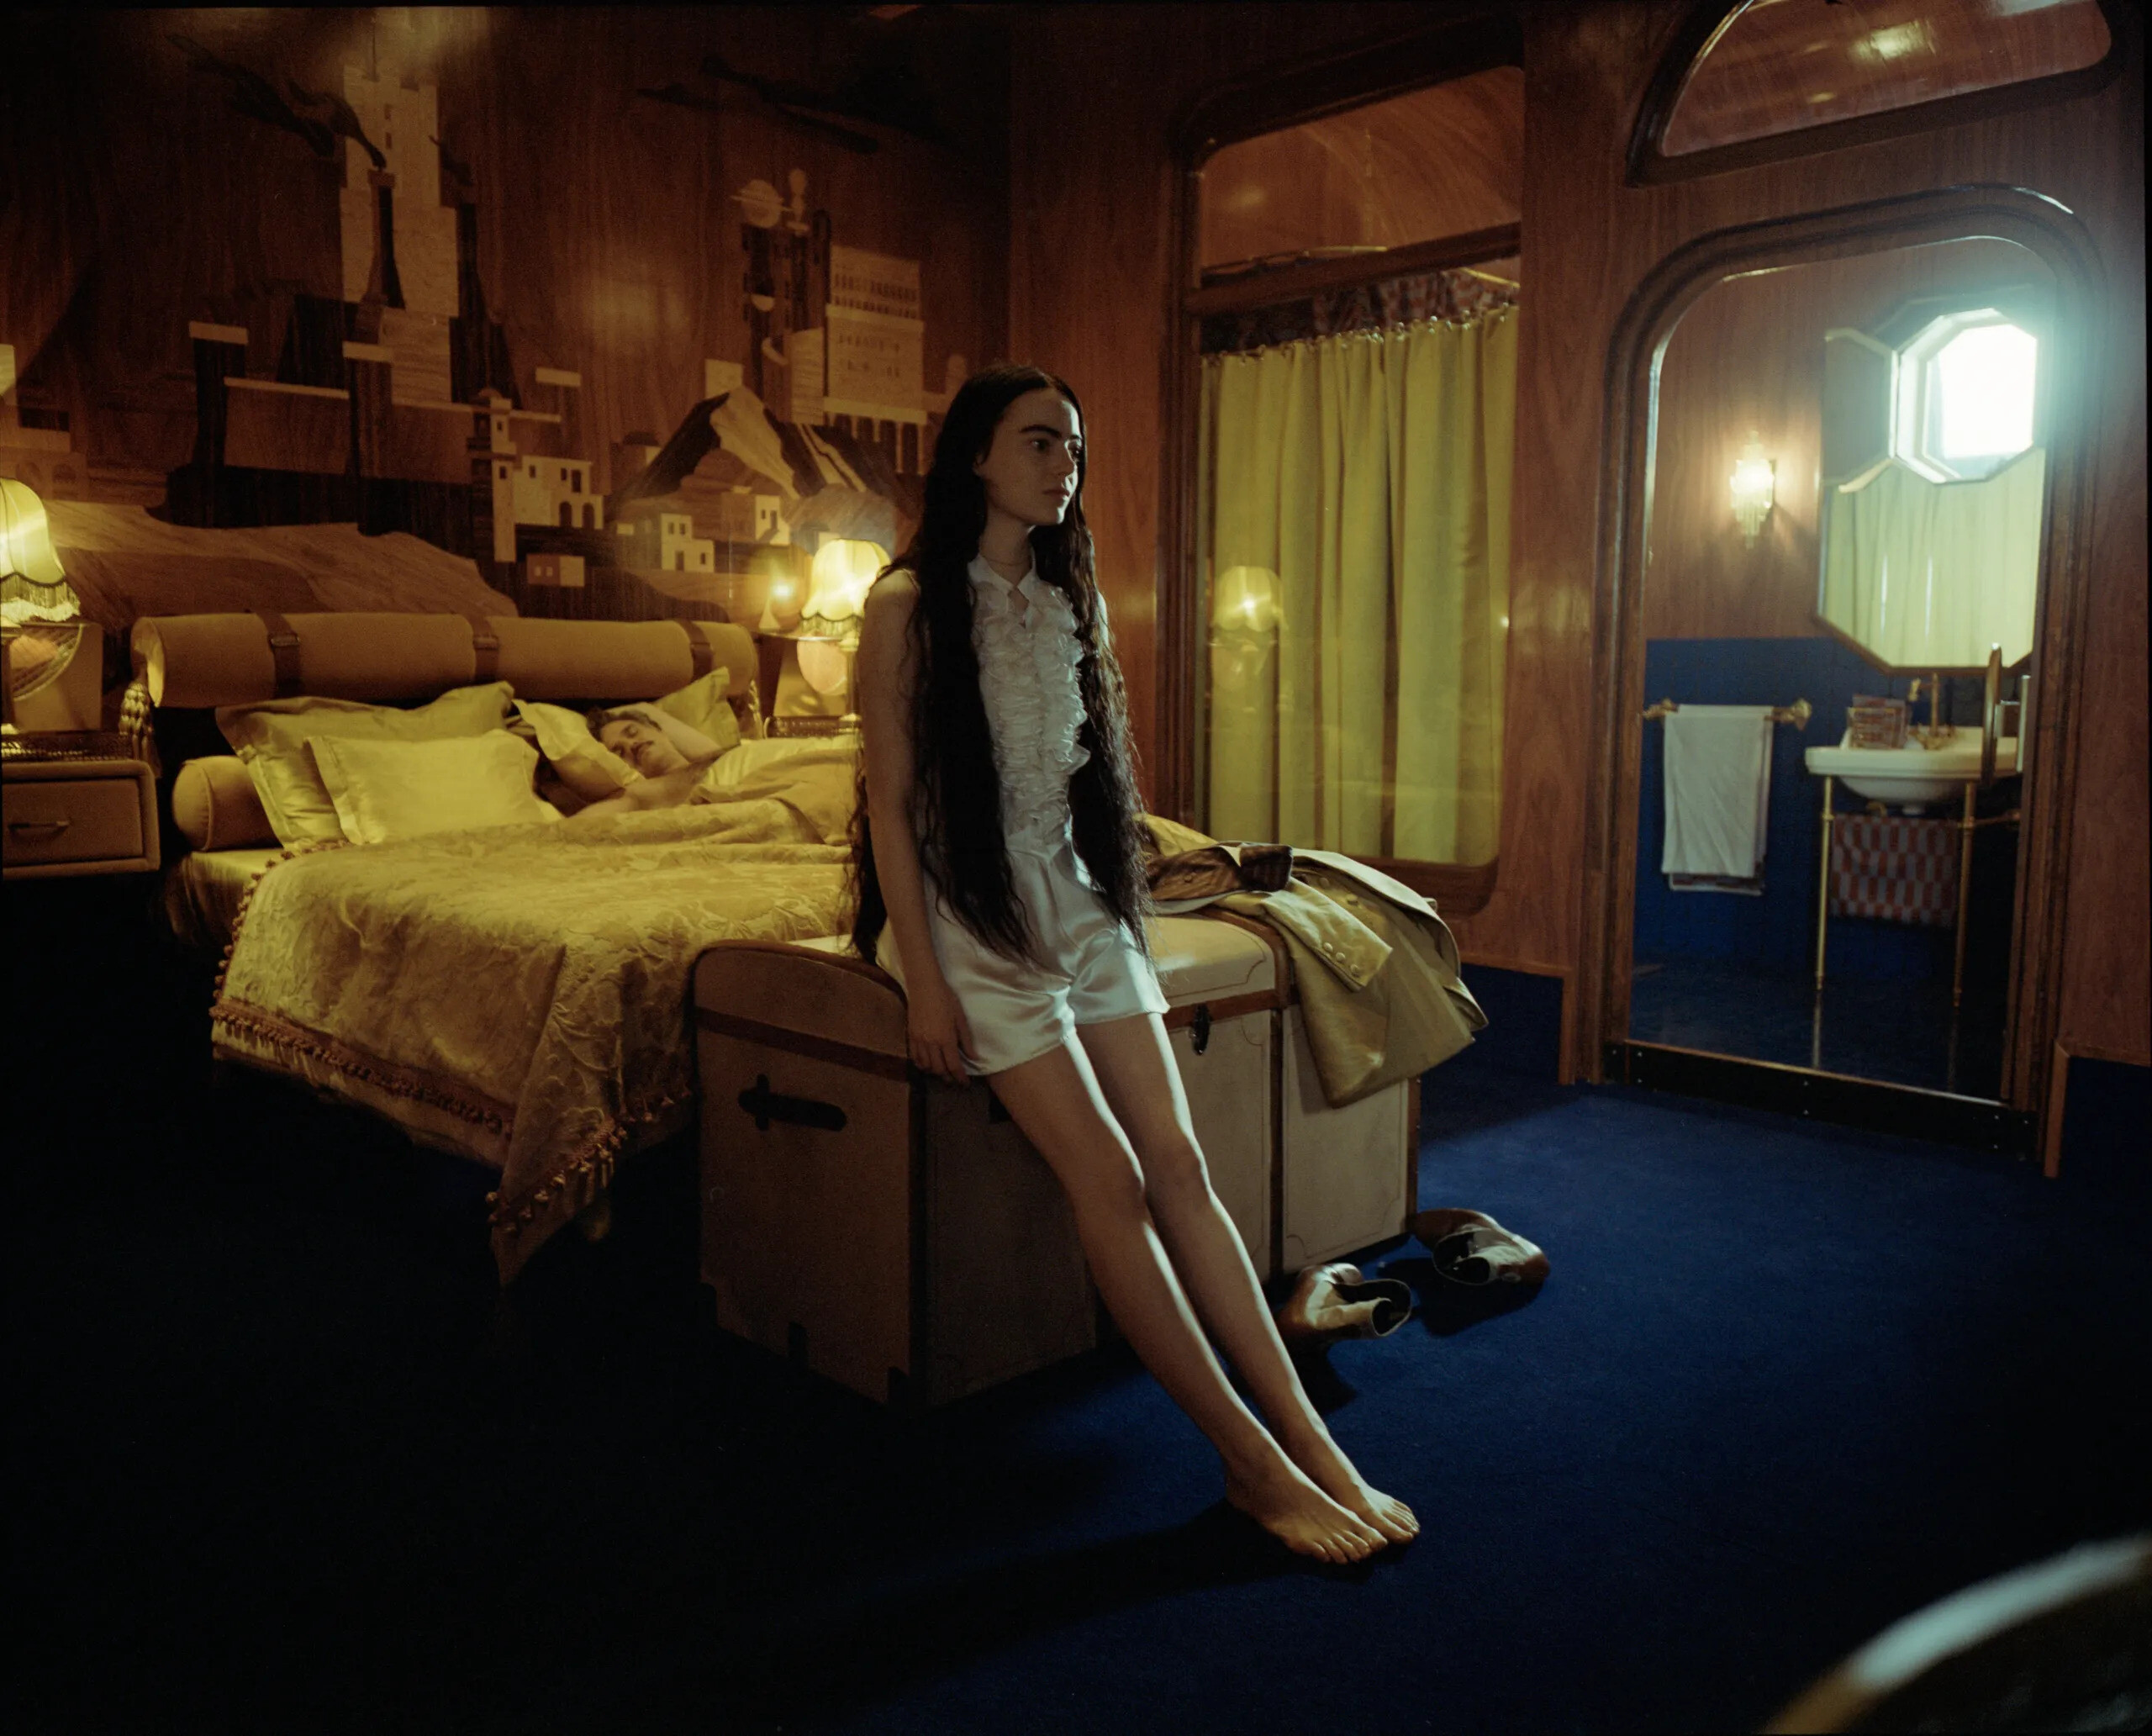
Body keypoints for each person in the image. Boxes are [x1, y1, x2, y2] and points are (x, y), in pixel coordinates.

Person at [848, 363, 1417, 1564]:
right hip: (968, 914)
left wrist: (1131, 891)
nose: (1065, 465)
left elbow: (1083, 787)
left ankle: (1314, 1443)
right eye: (1038, 441)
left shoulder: (1070, 594)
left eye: (1073, 445)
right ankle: (1251, 1467)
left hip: (1075, 896)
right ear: (975, 457)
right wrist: (928, 984)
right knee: (1109, 1180)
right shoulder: (905, 603)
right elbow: (890, 809)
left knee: (1182, 1165)